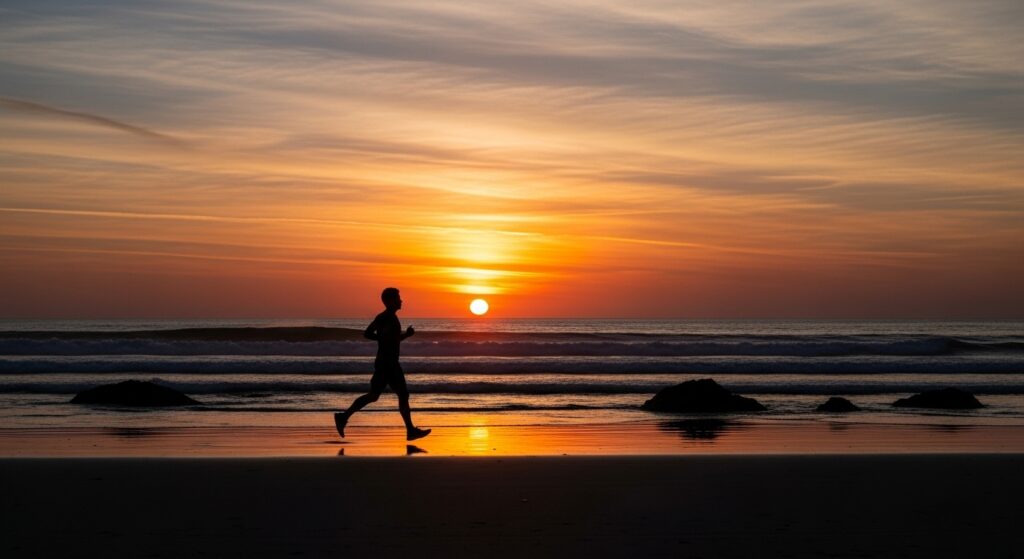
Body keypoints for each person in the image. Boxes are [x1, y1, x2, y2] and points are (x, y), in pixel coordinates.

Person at [334, 287, 431, 441]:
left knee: (375, 396)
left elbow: (374, 335)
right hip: (388, 363)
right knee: (401, 394)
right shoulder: (387, 317)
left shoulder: (386, 317)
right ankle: (410, 431)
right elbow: (377, 336)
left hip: (385, 362)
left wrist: (402, 335)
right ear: (390, 301)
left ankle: (343, 417)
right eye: (398, 298)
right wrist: (395, 337)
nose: (401, 300)